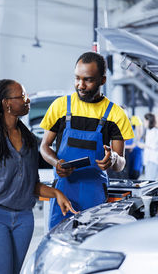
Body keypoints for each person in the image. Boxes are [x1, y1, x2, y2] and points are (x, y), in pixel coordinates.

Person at [0, 79, 77, 274]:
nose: (27, 100)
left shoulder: (28, 139)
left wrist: (56, 193)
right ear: (6, 103)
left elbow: (31, 185)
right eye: (22, 96)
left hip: (24, 219)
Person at [40, 51, 134, 229]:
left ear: (102, 80)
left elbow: (121, 163)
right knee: (59, 241)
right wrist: (56, 162)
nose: (80, 85)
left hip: (95, 193)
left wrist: (113, 159)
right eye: (77, 78)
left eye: (88, 80)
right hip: (63, 189)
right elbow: (44, 146)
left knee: (92, 241)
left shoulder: (115, 114)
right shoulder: (60, 106)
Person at [138, 113, 158, 180]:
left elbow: (154, 146)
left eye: (144, 121)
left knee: (150, 180)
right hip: (148, 159)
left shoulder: (155, 131)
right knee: (148, 178)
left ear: (148, 121)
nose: (143, 123)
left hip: (152, 159)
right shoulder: (148, 131)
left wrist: (143, 145)